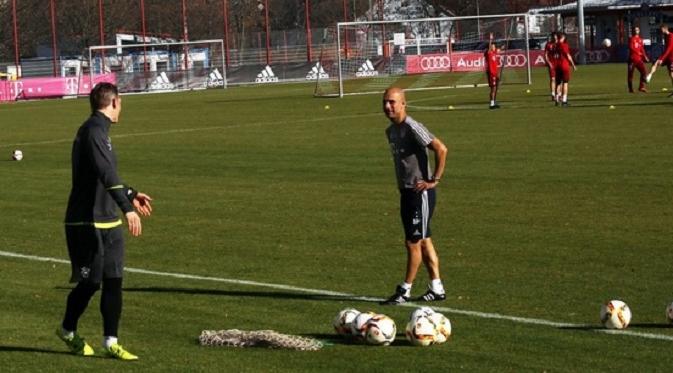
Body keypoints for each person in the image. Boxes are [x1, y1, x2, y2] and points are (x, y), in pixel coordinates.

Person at [56, 82, 153, 360]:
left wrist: (131, 194)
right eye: (120, 103)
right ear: (114, 102)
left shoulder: (101, 133)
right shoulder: (93, 131)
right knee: (91, 283)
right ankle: (67, 330)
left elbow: (105, 175)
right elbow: (106, 174)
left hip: (108, 220)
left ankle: (111, 342)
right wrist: (128, 208)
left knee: (114, 281)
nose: (121, 107)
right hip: (86, 221)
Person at [380, 87, 448, 305]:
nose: (388, 106)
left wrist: (434, 180)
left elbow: (441, 149)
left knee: (413, 242)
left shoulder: (413, 127)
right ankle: (436, 287)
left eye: (392, 102)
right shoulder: (391, 131)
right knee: (424, 239)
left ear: (403, 104)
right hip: (406, 193)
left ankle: (405, 290)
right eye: (385, 102)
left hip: (421, 194)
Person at [646, 24, 673, 94]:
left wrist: (662, 58)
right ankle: (649, 75)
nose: (660, 31)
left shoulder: (671, 36)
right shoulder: (665, 36)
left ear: (664, 29)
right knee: (655, 62)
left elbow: (669, 48)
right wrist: (661, 57)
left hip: (671, 57)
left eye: (661, 29)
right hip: (666, 56)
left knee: (671, 74)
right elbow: (666, 49)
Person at [554, 32, 577, 107]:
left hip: (557, 66)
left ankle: (557, 99)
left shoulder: (555, 45)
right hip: (564, 66)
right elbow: (568, 55)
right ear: (563, 37)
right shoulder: (564, 45)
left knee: (558, 83)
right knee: (565, 83)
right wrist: (573, 65)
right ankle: (564, 100)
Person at [627, 26, 650, 93]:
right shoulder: (631, 39)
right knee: (630, 75)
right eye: (634, 30)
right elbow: (631, 47)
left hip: (639, 59)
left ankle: (641, 87)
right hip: (632, 59)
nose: (635, 31)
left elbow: (642, 49)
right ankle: (630, 89)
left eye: (637, 30)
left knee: (644, 72)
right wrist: (638, 52)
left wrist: (645, 56)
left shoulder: (640, 39)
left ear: (639, 31)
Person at [485, 33, 501, 109]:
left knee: (496, 88)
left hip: (495, 73)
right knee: (493, 88)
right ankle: (491, 104)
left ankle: (494, 102)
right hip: (491, 74)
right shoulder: (489, 54)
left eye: (494, 46)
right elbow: (489, 49)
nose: (494, 47)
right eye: (492, 46)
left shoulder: (494, 53)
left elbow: (499, 49)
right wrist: (490, 40)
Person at [544, 32, 559, 101]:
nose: (555, 38)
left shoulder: (560, 44)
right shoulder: (548, 44)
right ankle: (553, 94)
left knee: (559, 80)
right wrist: (549, 63)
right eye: (554, 37)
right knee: (553, 79)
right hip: (552, 64)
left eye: (556, 37)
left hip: (559, 63)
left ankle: (558, 94)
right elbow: (546, 55)